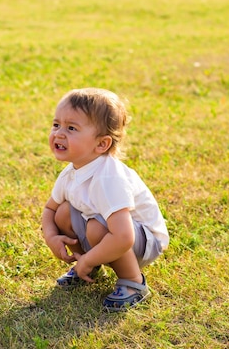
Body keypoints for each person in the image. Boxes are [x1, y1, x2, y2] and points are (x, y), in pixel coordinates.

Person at [41, 88, 169, 312]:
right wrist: (51, 238)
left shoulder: (108, 177)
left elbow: (123, 236)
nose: (59, 134)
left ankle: (133, 282)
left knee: (96, 227)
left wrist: (89, 258)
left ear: (101, 144)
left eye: (71, 128)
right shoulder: (71, 172)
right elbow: (50, 210)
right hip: (112, 232)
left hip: (144, 241)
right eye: (56, 125)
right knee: (63, 211)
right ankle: (87, 269)